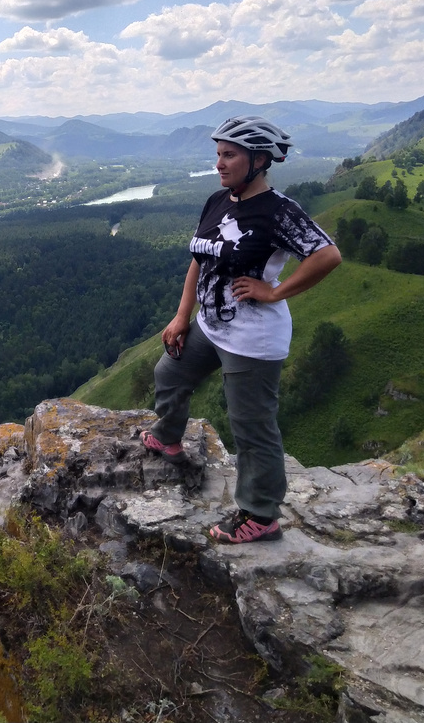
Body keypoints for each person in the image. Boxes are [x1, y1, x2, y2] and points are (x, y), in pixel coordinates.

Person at [141, 115, 341, 544]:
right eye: (218, 154)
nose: (219, 163)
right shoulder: (218, 201)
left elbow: (327, 255)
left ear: (259, 160)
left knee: (251, 426)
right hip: (210, 326)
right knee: (169, 373)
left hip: (253, 339)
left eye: (229, 155)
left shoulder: (279, 211)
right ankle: (168, 439)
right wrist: (181, 316)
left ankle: (261, 514)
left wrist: (275, 292)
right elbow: (200, 258)